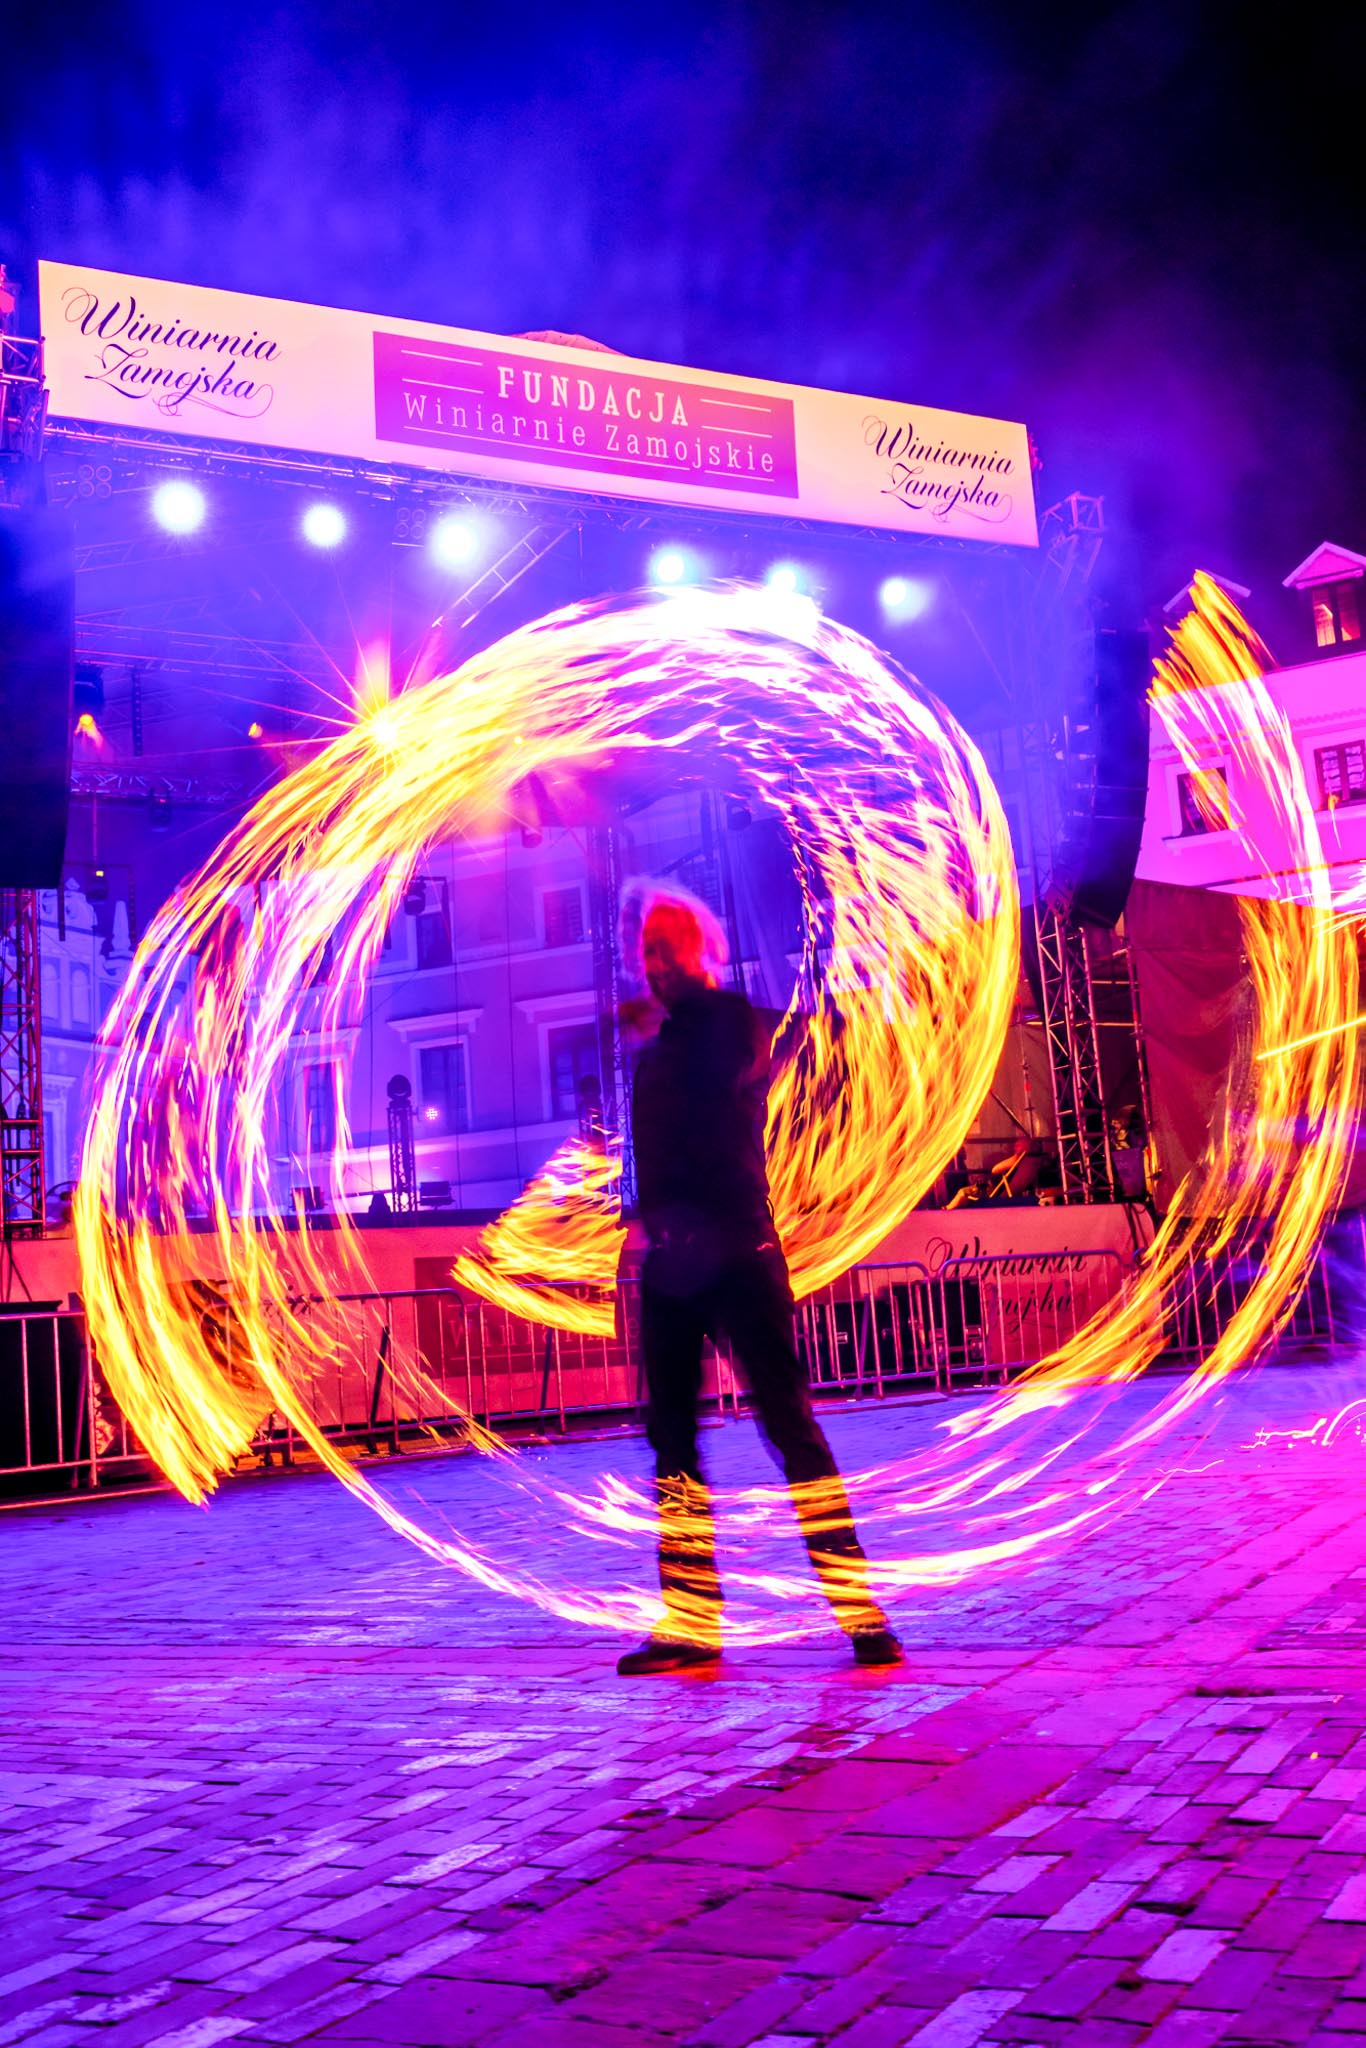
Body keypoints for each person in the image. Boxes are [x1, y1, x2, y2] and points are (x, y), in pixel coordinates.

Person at [615, 883, 902, 1675]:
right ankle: (690, 1623)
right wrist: (636, 1235)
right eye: (646, 949)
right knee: (672, 1442)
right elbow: (660, 1160)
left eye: (668, 945)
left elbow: (718, 1086)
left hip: (741, 1252)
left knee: (789, 1428)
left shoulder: (732, 1024)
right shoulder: (657, 1051)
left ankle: (860, 1613)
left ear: (701, 948)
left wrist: (662, 1028)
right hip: (673, 1266)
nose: (655, 961)